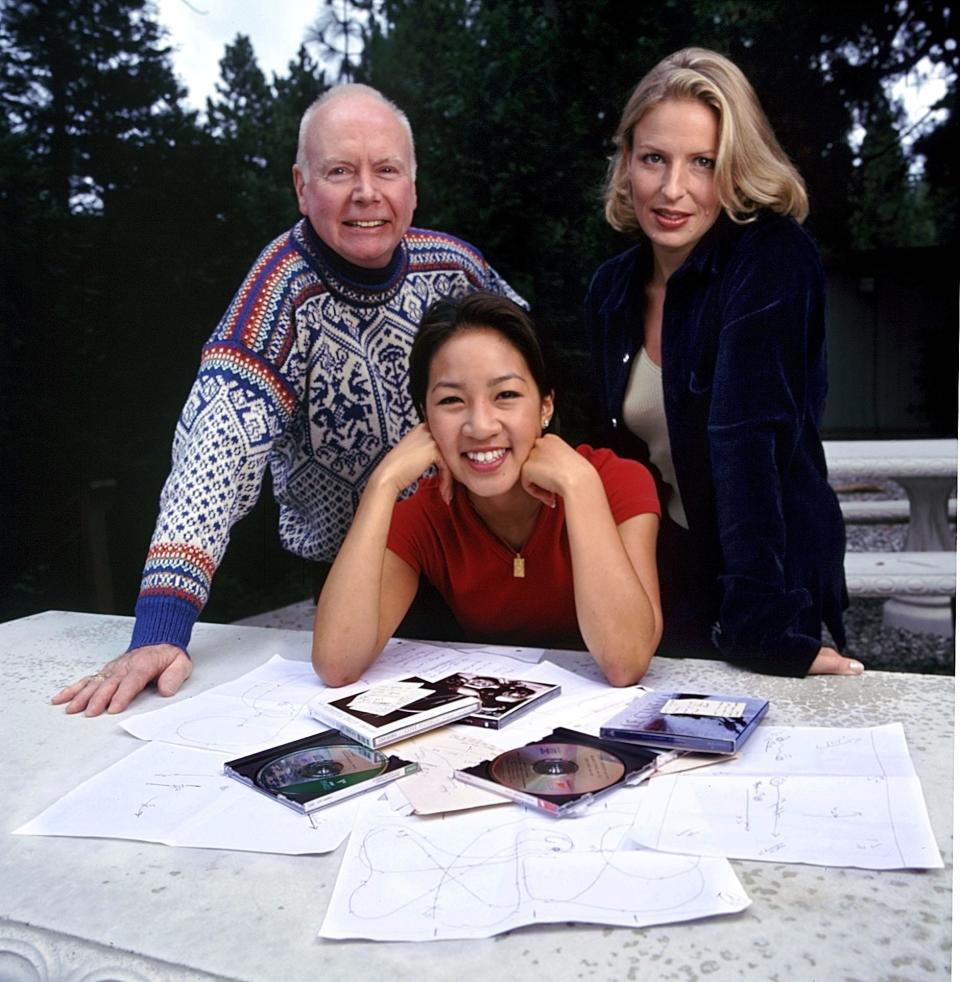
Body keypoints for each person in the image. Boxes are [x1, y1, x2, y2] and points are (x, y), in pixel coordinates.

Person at [53, 84, 522, 716]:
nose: (366, 192)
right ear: (302, 187)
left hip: (472, 551)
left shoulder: (457, 269)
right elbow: (214, 456)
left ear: (413, 184)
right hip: (351, 570)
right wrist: (161, 629)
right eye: (339, 171)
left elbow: (530, 371)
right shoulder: (279, 293)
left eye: (386, 169)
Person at [585, 47, 861, 678]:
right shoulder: (611, 289)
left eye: (702, 163)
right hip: (673, 572)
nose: (672, 188)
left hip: (771, 577)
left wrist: (763, 624)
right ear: (626, 161)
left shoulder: (772, 260)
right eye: (653, 158)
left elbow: (746, 438)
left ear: (735, 167)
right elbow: (614, 454)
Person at [312, 292, 662, 688]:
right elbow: (336, 664)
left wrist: (579, 487)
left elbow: (626, 663)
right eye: (451, 400)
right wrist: (383, 483)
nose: (480, 426)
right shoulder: (427, 513)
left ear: (546, 405)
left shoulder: (616, 481)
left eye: (506, 395)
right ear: (424, 417)